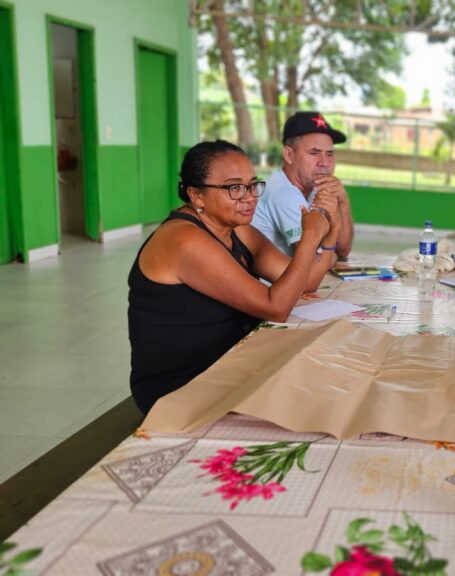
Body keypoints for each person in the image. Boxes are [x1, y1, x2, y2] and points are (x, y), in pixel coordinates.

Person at [128, 140, 338, 414]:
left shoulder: (235, 228)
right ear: (196, 195)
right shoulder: (184, 241)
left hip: (230, 363)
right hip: (183, 385)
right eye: (234, 188)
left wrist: (330, 234)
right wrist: (310, 235)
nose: (249, 197)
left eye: (252, 185)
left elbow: (305, 282)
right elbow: (276, 307)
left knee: (329, 371)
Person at [252, 111, 354, 260]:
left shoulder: (313, 188)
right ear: (289, 155)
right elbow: (315, 259)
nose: (324, 163)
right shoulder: (283, 192)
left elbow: (342, 249)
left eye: (329, 154)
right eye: (314, 153)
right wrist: (330, 253)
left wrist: (342, 201)